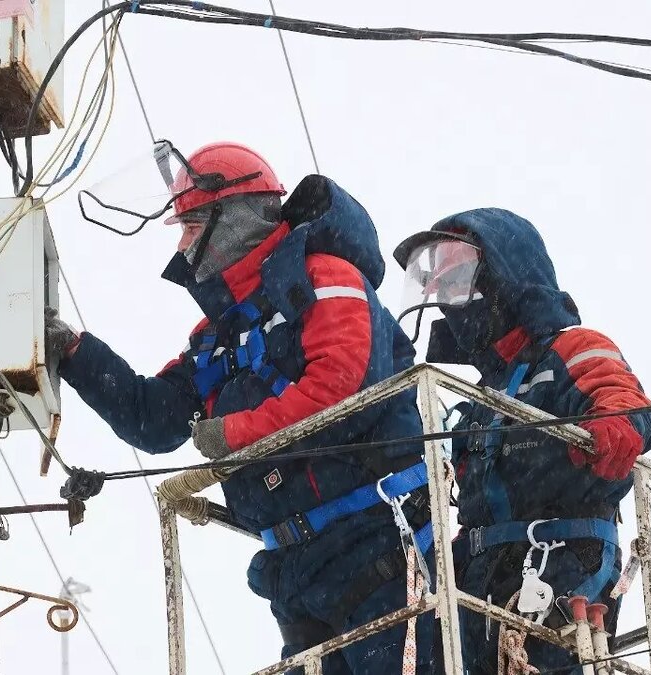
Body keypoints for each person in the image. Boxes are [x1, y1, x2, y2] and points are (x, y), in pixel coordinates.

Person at [47, 142, 435, 673]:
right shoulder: (218, 337)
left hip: (379, 546)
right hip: (295, 573)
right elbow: (154, 419)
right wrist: (73, 352)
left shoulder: (328, 279)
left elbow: (343, 392)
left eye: (189, 226)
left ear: (232, 220)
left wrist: (235, 434)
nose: (182, 248)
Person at [392, 208, 651, 673]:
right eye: (446, 292)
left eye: (461, 285)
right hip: (481, 568)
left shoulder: (571, 348)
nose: (454, 305)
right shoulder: (480, 397)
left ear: (502, 281)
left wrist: (613, 426)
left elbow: (624, 401)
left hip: (560, 556)